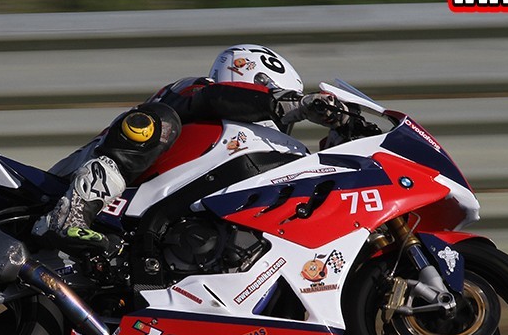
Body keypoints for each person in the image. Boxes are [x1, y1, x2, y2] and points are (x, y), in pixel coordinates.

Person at [34, 44, 348, 253]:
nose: (284, 120)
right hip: (67, 181)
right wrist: (284, 104)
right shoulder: (192, 91)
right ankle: (72, 211)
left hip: (153, 222)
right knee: (160, 121)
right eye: (279, 99)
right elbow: (211, 100)